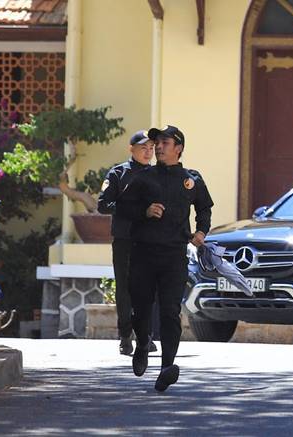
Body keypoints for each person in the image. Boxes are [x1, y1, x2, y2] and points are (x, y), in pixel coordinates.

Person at [123, 125, 214, 392]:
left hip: (174, 255)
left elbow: (205, 207)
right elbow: (124, 208)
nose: (158, 147)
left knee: (170, 311)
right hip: (143, 253)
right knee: (141, 309)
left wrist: (201, 231)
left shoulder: (191, 179)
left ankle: (166, 367)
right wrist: (145, 210)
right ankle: (141, 344)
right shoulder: (143, 177)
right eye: (156, 142)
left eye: (164, 142)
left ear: (179, 148)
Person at [97, 130, 157, 356]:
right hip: (126, 239)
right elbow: (103, 205)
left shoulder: (158, 174)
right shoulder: (118, 174)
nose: (148, 152)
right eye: (143, 147)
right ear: (131, 149)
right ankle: (125, 336)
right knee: (125, 290)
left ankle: (145, 336)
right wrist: (133, 210)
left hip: (151, 241)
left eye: (151, 148)